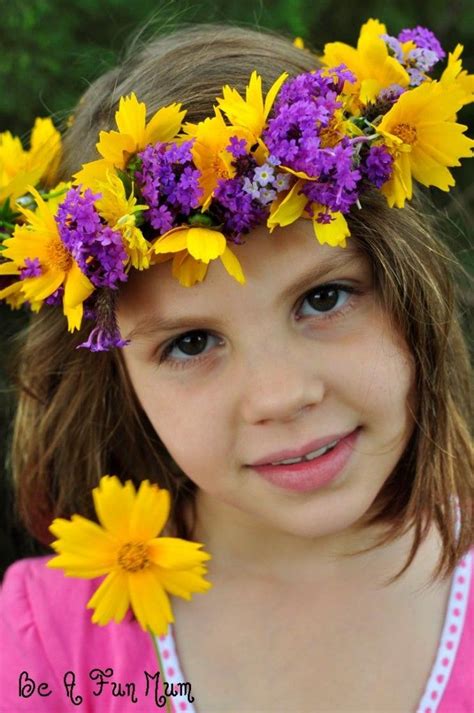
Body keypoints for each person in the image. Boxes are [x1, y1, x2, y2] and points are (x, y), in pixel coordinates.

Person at [0, 18, 473, 713]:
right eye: (191, 343)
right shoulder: (52, 641)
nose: (281, 395)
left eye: (323, 297)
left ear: (409, 290)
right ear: (114, 377)